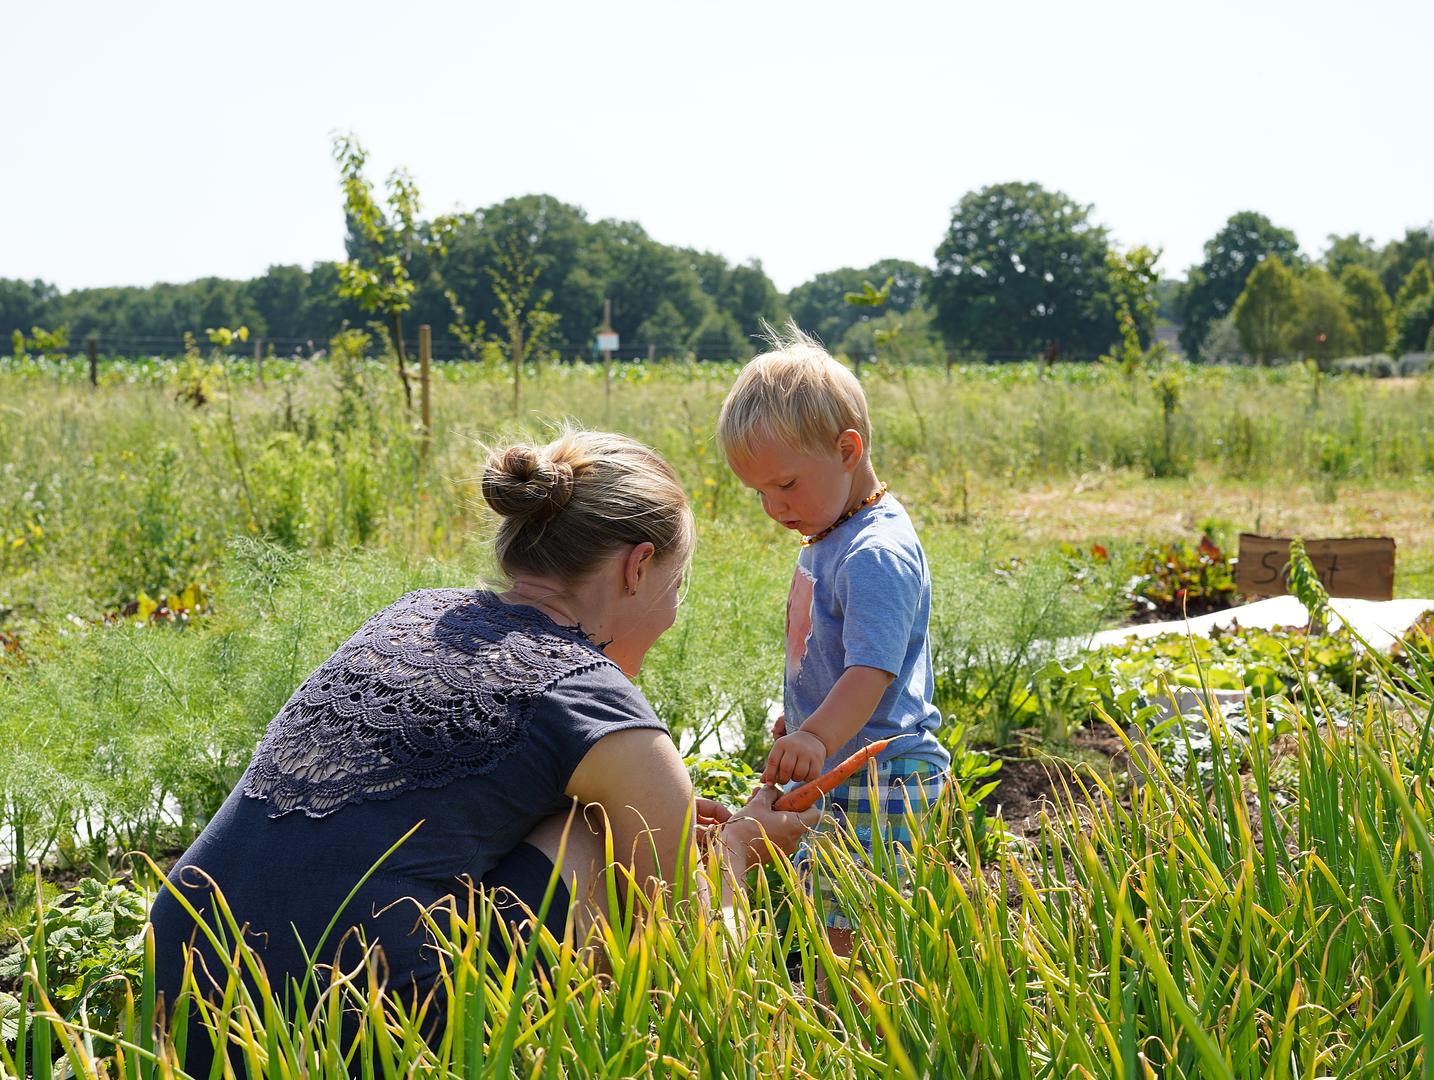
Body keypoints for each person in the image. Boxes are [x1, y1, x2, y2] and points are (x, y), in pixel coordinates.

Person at [147, 428, 817, 1074]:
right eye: (676, 588)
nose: (671, 614)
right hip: (351, 1018)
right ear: (638, 568)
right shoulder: (594, 699)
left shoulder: (415, 614)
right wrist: (733, 851)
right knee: (598, 836)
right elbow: (703, 969)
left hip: (181, 985)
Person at [717, 325, 952, 958]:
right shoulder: (832, 533)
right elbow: (831, 656)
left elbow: (872, 670)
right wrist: (801, 719)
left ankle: (846, 1024)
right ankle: (835, 1008)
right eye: (759, 492)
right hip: (845, 760)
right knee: (828, 905)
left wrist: (818, 735)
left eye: (785, 484)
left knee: (853, 918)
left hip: (881, 773)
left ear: (847, 449)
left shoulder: (875, 552)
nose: (773, 506)